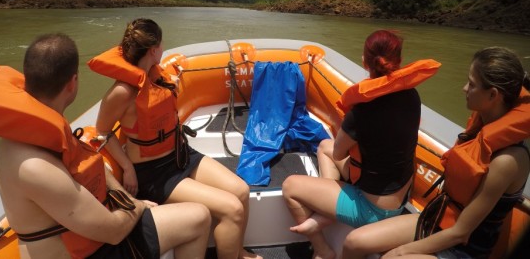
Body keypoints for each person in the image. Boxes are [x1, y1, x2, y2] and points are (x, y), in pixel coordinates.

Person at [0, 33, 211, 259]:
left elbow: (90, 164)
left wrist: (125, 197)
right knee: (199, 218)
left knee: (197, 214)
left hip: (94, 236)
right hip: (92, 252)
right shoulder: (34, 166)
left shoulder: (31, 131)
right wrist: (137, 206)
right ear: (73, 83)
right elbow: (114, 231)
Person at [89, 19, 261, 259]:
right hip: (154, 173)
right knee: (232, 209)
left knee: (241, 190)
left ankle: (238, 252)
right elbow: (102, 132)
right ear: (154, 50)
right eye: (161, 45)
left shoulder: (157, 78)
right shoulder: (123, 91)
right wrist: (127, 167)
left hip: (181, 155)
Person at [340, 46, 530, 259]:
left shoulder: (507, 161)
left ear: (493, 95)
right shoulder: (481, 128)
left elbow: (461, 233)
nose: (464, 88)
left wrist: (400, 251)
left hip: (462, 248)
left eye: (472, 84)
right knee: (354, 242)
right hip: (437, 219)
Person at [282, 30, 440, 259]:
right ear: (400, 61)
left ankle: (321, 247)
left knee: (290, 186)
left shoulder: (361, 111)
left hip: (373, 209)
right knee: (324, 145)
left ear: (365, 61)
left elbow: (340, 152)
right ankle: (328, 211)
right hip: (401, 195)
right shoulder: (412, 96)